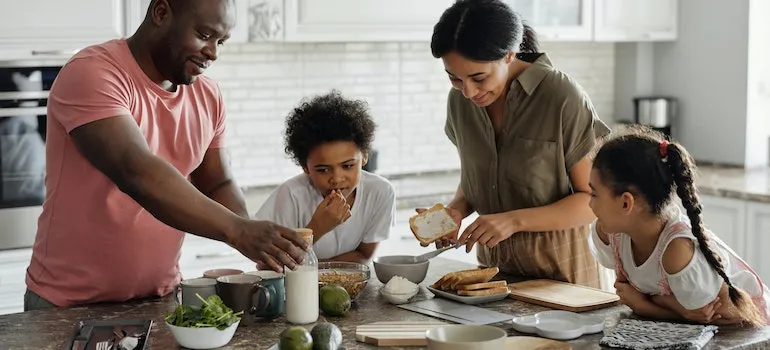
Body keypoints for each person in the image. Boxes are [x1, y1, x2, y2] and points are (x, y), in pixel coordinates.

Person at [24, 0, 308, 311]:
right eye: (204, 34)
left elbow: (217, 182)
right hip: (68, 305)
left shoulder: (207, 95)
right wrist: (238, 231)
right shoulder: (92, 73)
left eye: (220, 41)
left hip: (160, 300)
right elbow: (137, 173)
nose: (213, 53)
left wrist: (261, 245)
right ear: (161, 13)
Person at [423, 0, 611, 288]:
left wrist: (513, 221)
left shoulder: (560, 96)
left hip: (564, 278)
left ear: (509, 55)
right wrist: (456, 211)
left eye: (478, 77)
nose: (468, 91)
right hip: (494, 278)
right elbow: (480, 177)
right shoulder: (459, 102)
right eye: (455, 79)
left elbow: (594, 201)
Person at [588, 126, 769, 327]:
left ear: (625, 203)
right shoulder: (612, 232)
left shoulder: (678, 251)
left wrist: (646, 305)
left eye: (594, 194)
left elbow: (722, 315)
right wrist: (671, 306)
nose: (589, 204)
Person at [254, 90, 396, 264]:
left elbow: (364, 255)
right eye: (323, 170)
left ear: (365, 156)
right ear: (305, 167)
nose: (336, 178)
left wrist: (320, 272)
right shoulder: (290, 196)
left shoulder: (380, 192)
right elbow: (269, 265)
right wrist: (318, 228)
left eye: (348, 166)